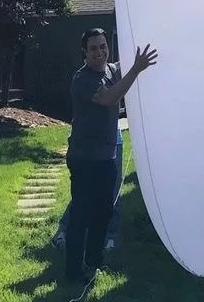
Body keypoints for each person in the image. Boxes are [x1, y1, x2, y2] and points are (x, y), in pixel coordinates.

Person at [64, 28, 158, 283]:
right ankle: (73, 271)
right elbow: (109, 99)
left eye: (103, 46)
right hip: (84, 158)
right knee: (81, 214)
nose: (99, 52)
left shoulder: (111, 70)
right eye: (93, 48)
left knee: (103, 213)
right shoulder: (83, 79)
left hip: (105, 157)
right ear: (84, 52)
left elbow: (129, 63)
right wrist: (136, 70)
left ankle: (94, 261)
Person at [53, 126, 123, 251]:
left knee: (113, 190)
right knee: (84, 190)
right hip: (87, 139)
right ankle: (64, 230)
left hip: (113, 140)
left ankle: (110, 236)